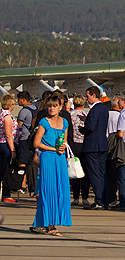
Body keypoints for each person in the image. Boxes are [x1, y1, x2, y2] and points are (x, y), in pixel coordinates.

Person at [30, 95, 72, 236]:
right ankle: (49, 225)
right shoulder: (44, 122)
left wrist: (63, 147)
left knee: (61, 189)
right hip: (48, 157)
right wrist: (52, 149)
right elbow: (36, 143)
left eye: (54, 106)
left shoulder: (64, 122)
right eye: (49, 106)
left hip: (60, 159)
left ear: (60, 107)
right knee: (48, 191)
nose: (52, 108)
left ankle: (44, 223)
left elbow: (65, 140)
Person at [80, 86, 110, 210]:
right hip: (102, 144)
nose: (86, 99)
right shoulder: (104, 109)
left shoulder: (94, 109)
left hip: (92, 146)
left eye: (87, 96)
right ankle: (104, 198)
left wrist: (82, 129)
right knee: (102, 173)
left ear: (93, 95)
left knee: (94, 173)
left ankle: (99, 200)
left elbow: (90, 127)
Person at [69, 94, 90, 206]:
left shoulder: (70, 115)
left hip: (74, 145)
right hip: (85, 144)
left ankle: (76, 197)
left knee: (74, 171)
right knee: (85, 172)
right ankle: (85, 197)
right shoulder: (87, 114)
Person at [0, 94, 17, 203]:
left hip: (1, 143)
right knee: (6, 170)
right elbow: (8, 135)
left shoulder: (1, 114)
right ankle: (6, 194)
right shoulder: (7, 117)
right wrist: (12, 150)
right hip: (5, 144)